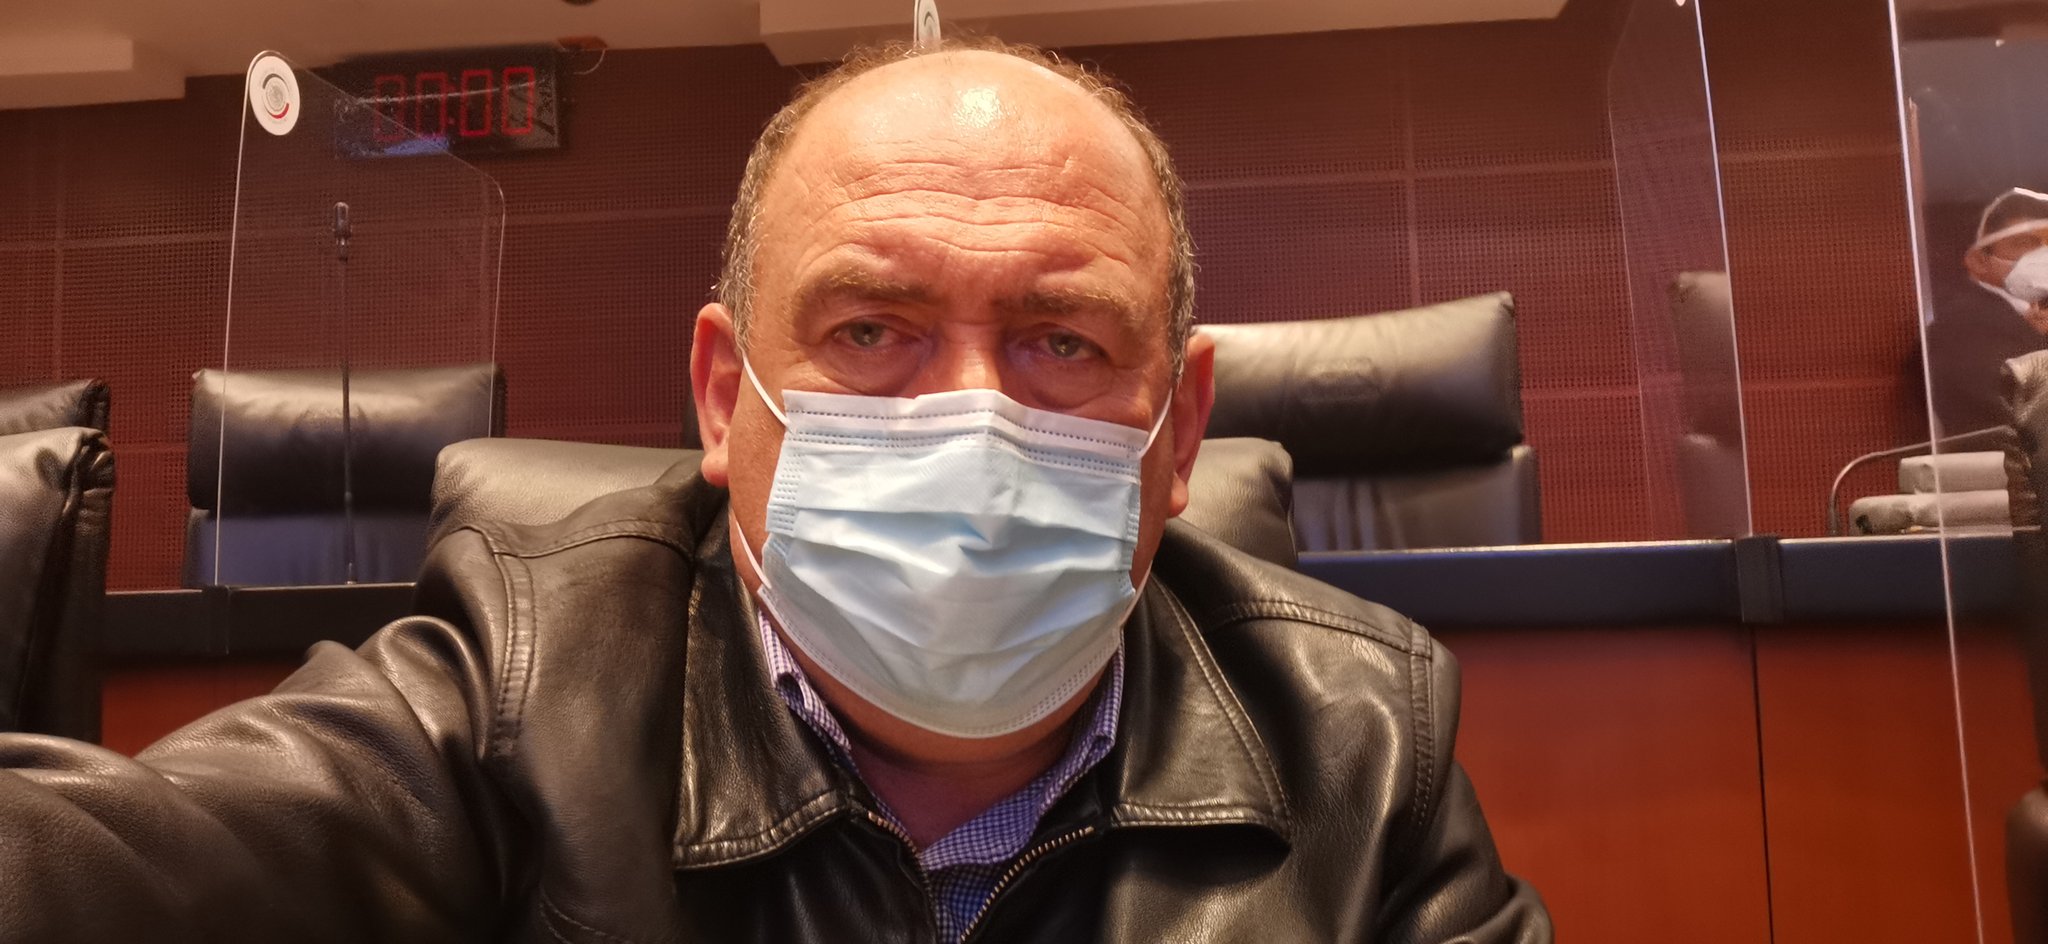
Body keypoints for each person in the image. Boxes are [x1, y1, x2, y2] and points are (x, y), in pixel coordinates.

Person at [0, 38, 1548, 942]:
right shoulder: (516, 696)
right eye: (869, 332)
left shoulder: (1363, 741)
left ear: (1182, 423)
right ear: (726, 395)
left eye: (1064, 341)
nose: (970, 416)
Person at [1932, 187, 2048, 433]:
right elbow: (2003, 422)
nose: (2043, 254)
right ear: (1979, 260)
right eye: (2024, 243)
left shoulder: (2032, 317)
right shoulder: (1962, 326)